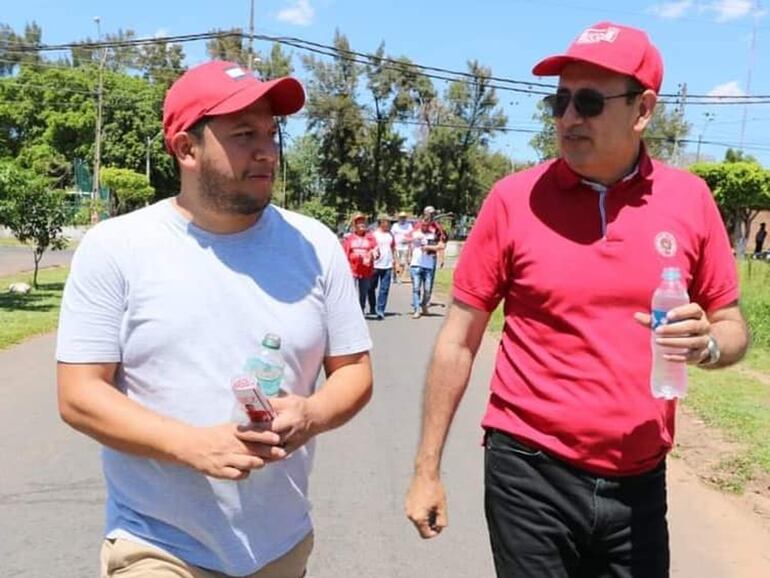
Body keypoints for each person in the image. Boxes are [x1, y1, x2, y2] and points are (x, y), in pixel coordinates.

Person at [405, 22, 749, 578]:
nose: (569, 117)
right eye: (559, 100)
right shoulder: (515, 200)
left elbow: (732, 324)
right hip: (529, 469)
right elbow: (458, 339)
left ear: (643, 110)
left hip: (639, 478)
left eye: (588, 102)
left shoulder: (690, 200)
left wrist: (708, 345)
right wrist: (426, 469)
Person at [56, 61, 373, 578]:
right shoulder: (117, 247)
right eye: (244, 134)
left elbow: (355, 371)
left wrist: (312, 413)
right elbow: (79, 394)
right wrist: (190, 445)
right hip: (158, 544)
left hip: (280, 544)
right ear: (186, 149)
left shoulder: (315, 246)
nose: (267, 150)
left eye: (271, 133)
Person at [407, 219, 444, 319]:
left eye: (427, 225)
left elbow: (441, 246)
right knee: (416, 288)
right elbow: (404, 240)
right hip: (416, 264)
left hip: (428, 265)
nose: (425, 227)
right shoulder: (415, 233)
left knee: (427, 289)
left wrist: (429, 247)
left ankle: (424, 304)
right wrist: (412, 240)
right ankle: (416, 310)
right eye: (423, 225)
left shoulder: (432, 235)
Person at [343, 213, 379, 314]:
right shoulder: (349, 238)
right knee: (351, 291)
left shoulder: (371, 238)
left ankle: (361, 309)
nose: (362, 224)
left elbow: (376, 252)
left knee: (363, 292)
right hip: (352, 270)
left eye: (363, 222)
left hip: (366, 270)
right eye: (359, 222)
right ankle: (352, 311)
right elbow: (345, 253)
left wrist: (374, 254)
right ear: (355, 225)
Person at [368, 216, 398, 320]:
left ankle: (380, 310)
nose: (389, 224)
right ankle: (372, 306)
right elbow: (369, 248)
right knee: (371, 287)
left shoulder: (390, 235)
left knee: (384, 289)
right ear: (381, 223)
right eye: (387, 222)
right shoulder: (373, 235)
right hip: (375, 265)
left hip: (387, 265)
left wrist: (395, 262)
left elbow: (393, 248)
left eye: (389, 223)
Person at [391, 211, 414, 283]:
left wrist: (408, 242)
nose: (402, 219)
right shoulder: (395, 225)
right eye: (401, 217)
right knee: (395, 262)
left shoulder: (409, 226)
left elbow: (412, 236)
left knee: (402, 263)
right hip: (396, 247)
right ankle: (393, 276)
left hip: (405, 247)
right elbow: (392, 235)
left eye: (404, 217)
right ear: (398, 218)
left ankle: (399, 277)